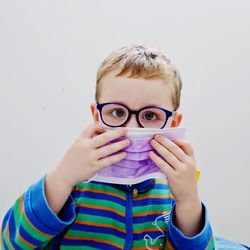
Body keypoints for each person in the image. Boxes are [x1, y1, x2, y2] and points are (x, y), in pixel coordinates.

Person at [1, 45, 249, 249]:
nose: (133, 129)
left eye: (150, 116)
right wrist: (62, 178)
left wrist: (188, 201)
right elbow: (11, 243)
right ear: (96, 116)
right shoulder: (73, 184)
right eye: (117, 112)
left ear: (173, 124)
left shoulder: (174, 189)